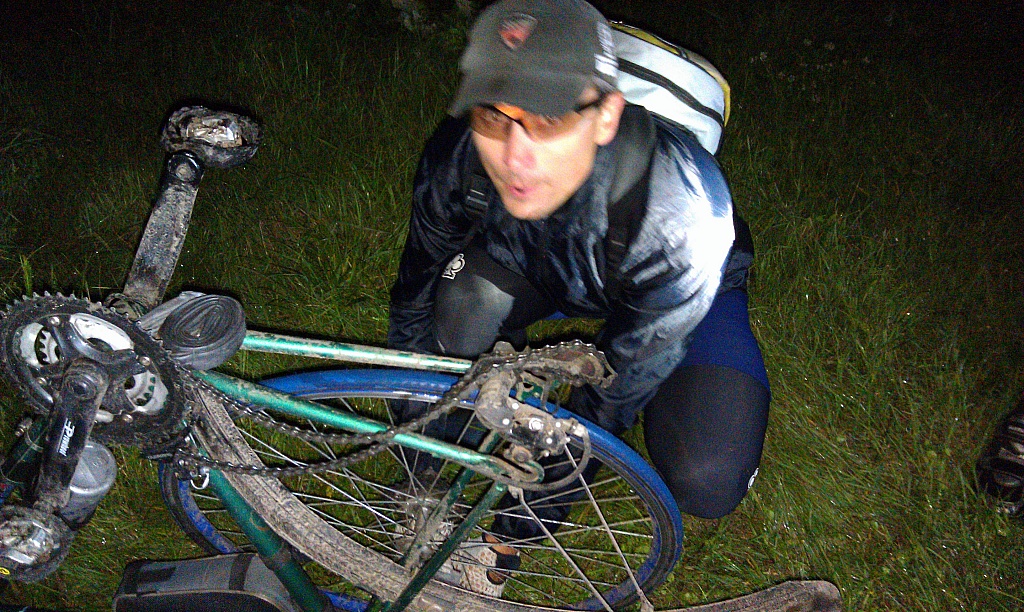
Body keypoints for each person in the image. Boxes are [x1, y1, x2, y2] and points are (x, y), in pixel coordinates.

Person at [387, 0, 771, 596]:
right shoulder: (459, 155)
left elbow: (605, 411)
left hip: (664, 284)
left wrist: (509, 537)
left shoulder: (685, 220)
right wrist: (424, 464)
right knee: (459, 306)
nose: (515, 156)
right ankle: (443, 469)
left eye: (548, 119)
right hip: (540, 267)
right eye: (494, 115)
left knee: (708, 478)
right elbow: (411, 304)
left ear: (607, 115)